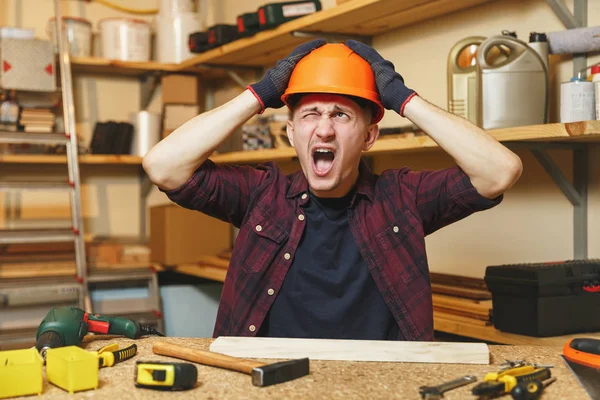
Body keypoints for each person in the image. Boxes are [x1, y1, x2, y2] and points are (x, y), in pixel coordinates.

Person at [143, 39, 522, 341]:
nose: (324, 129)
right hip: (270, 380)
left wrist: (405, 100)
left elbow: (499, 172)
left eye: (341, 115)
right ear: (291, 133)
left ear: (369, 136)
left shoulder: (401, 197)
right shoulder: (262, 194)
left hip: (378, 383)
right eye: (310, 114)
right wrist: (260, 93)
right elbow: (163, 166)